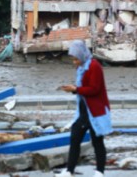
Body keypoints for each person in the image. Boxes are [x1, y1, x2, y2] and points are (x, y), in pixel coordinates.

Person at [56, 40, 112, 177]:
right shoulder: (81, 67)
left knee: (97, 142)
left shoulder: (94, 66)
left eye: (76, 59)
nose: (74, 62)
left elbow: (95, 89)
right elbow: (82, 89)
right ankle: (69, 171)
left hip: (95, 111)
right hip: (83, 110)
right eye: (73, 59)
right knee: (74, 139)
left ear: (82, 56)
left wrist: (75, 89)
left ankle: (100, 172)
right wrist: (75, 89)